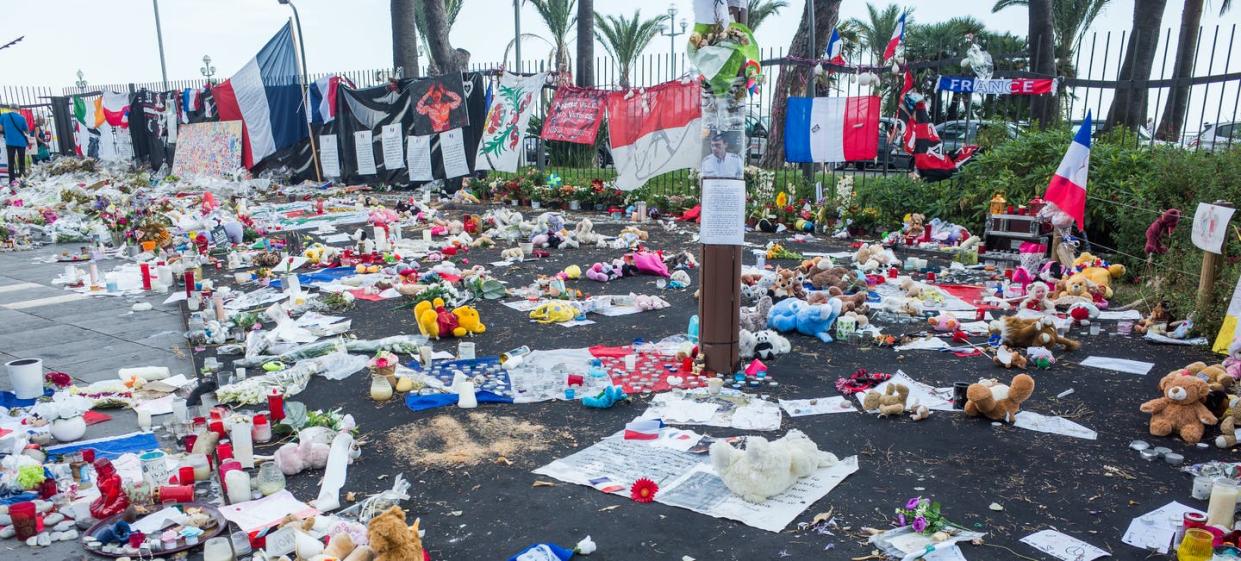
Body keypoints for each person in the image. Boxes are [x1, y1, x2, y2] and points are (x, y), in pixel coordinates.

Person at [1, 110, 29, 181]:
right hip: (21, 142)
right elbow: (26, 131)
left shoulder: (4, 116)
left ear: (10, 108)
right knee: (21, 160)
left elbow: (1, 128)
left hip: (10, 142)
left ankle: (12, 179)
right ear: (17, 109)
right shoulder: (22, 117)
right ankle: (22, 177)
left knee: (11, 161)